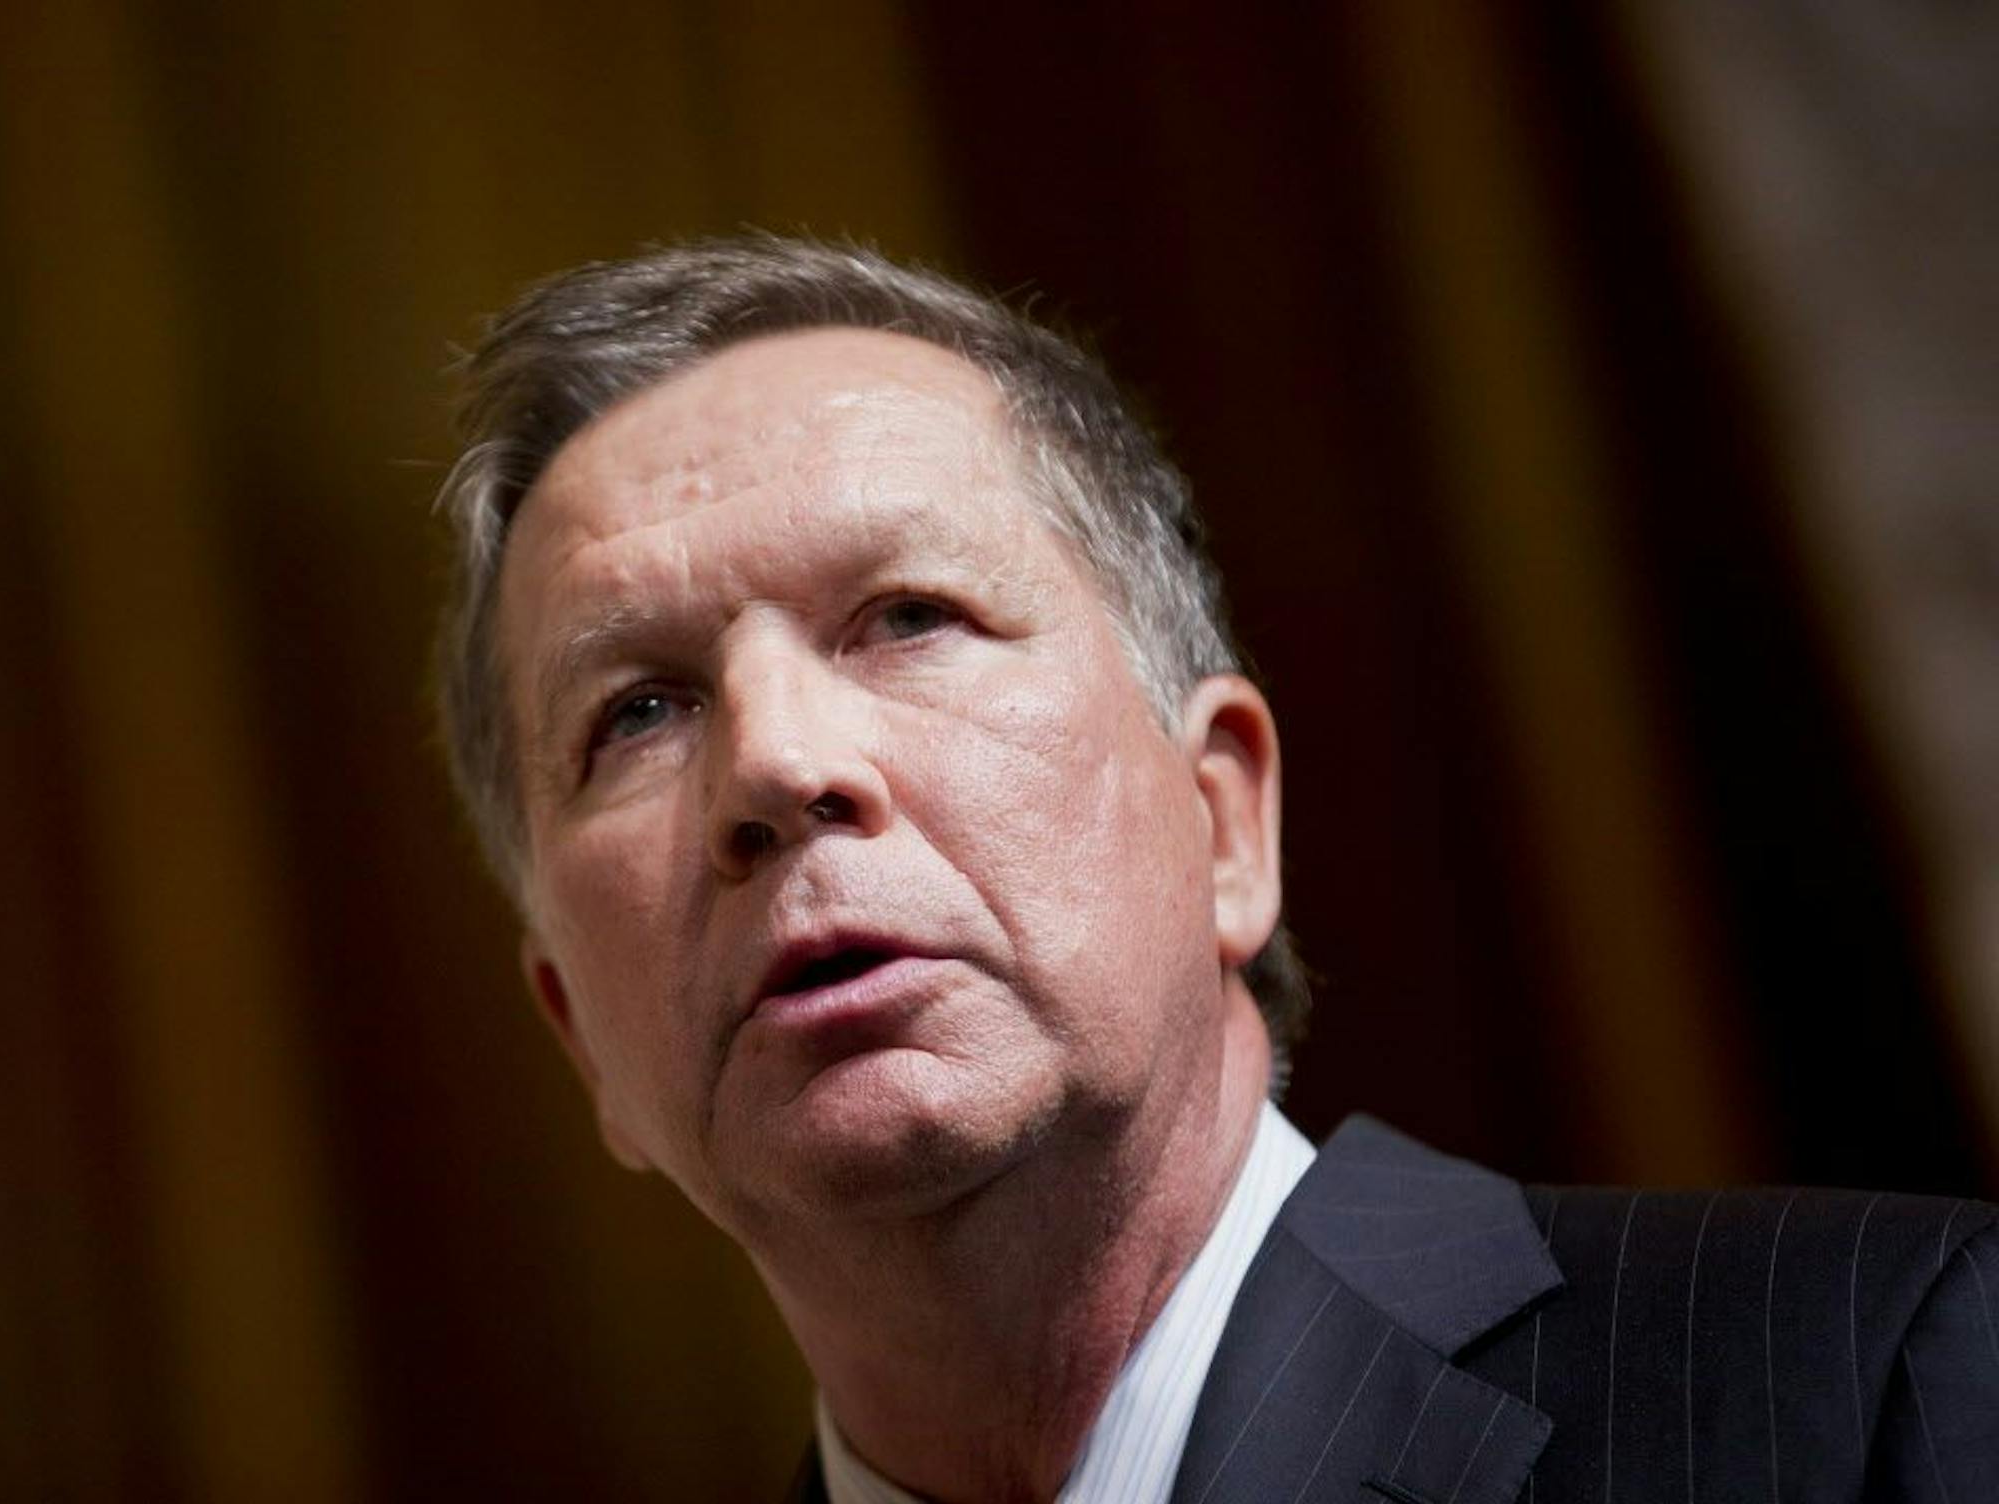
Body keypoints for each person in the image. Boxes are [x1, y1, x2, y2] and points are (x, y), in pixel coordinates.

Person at [432, 236, 1996, 1503]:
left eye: (908, 617)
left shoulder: (1864, 1386)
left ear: (1225, 818)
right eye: (636, 711)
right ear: (583, 1040)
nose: (773, 765)